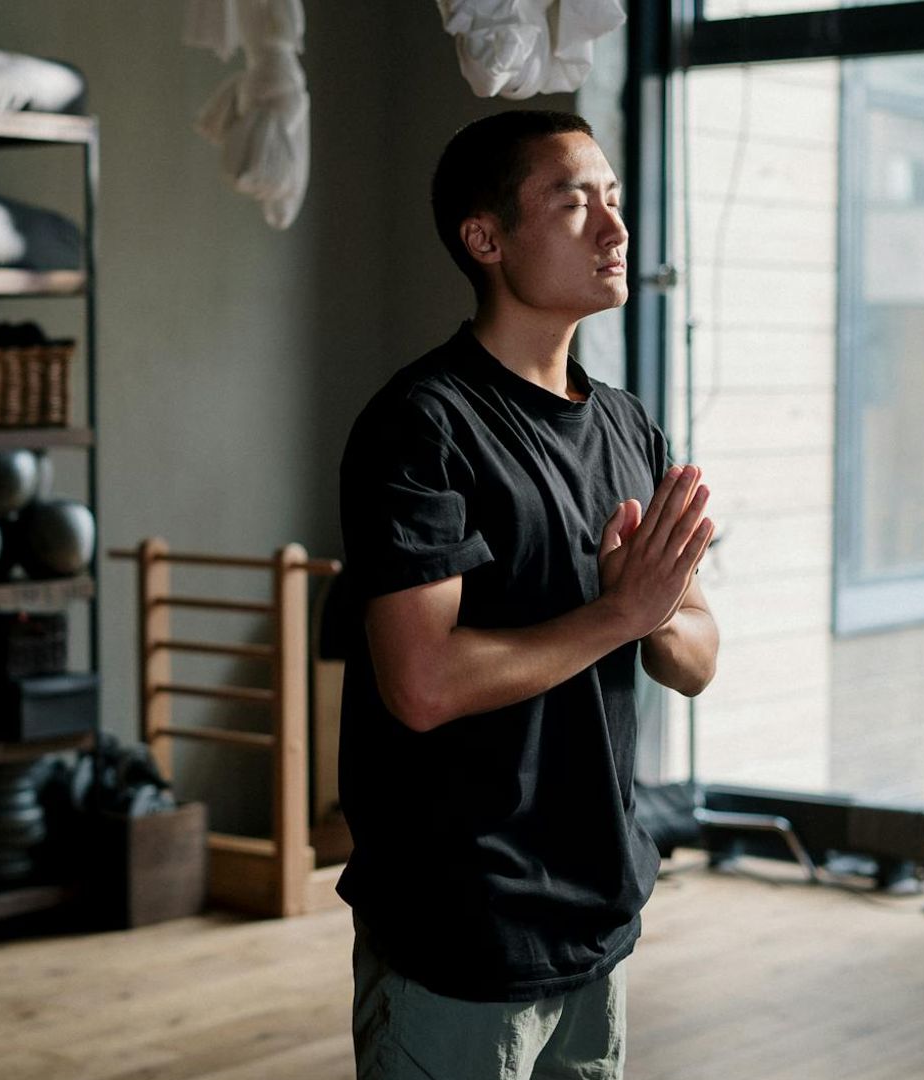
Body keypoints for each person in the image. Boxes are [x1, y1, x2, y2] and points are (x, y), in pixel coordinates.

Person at [335, 109, 720, 1079]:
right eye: (575, 199)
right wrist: (619, 615)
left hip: (597, 916)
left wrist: (658, 609)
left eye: (617, 199)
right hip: (461, 923)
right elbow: (420, 684)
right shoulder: (423, 427)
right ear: (487, 238)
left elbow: (698, 657)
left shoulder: (628, 427)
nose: (615, 227)